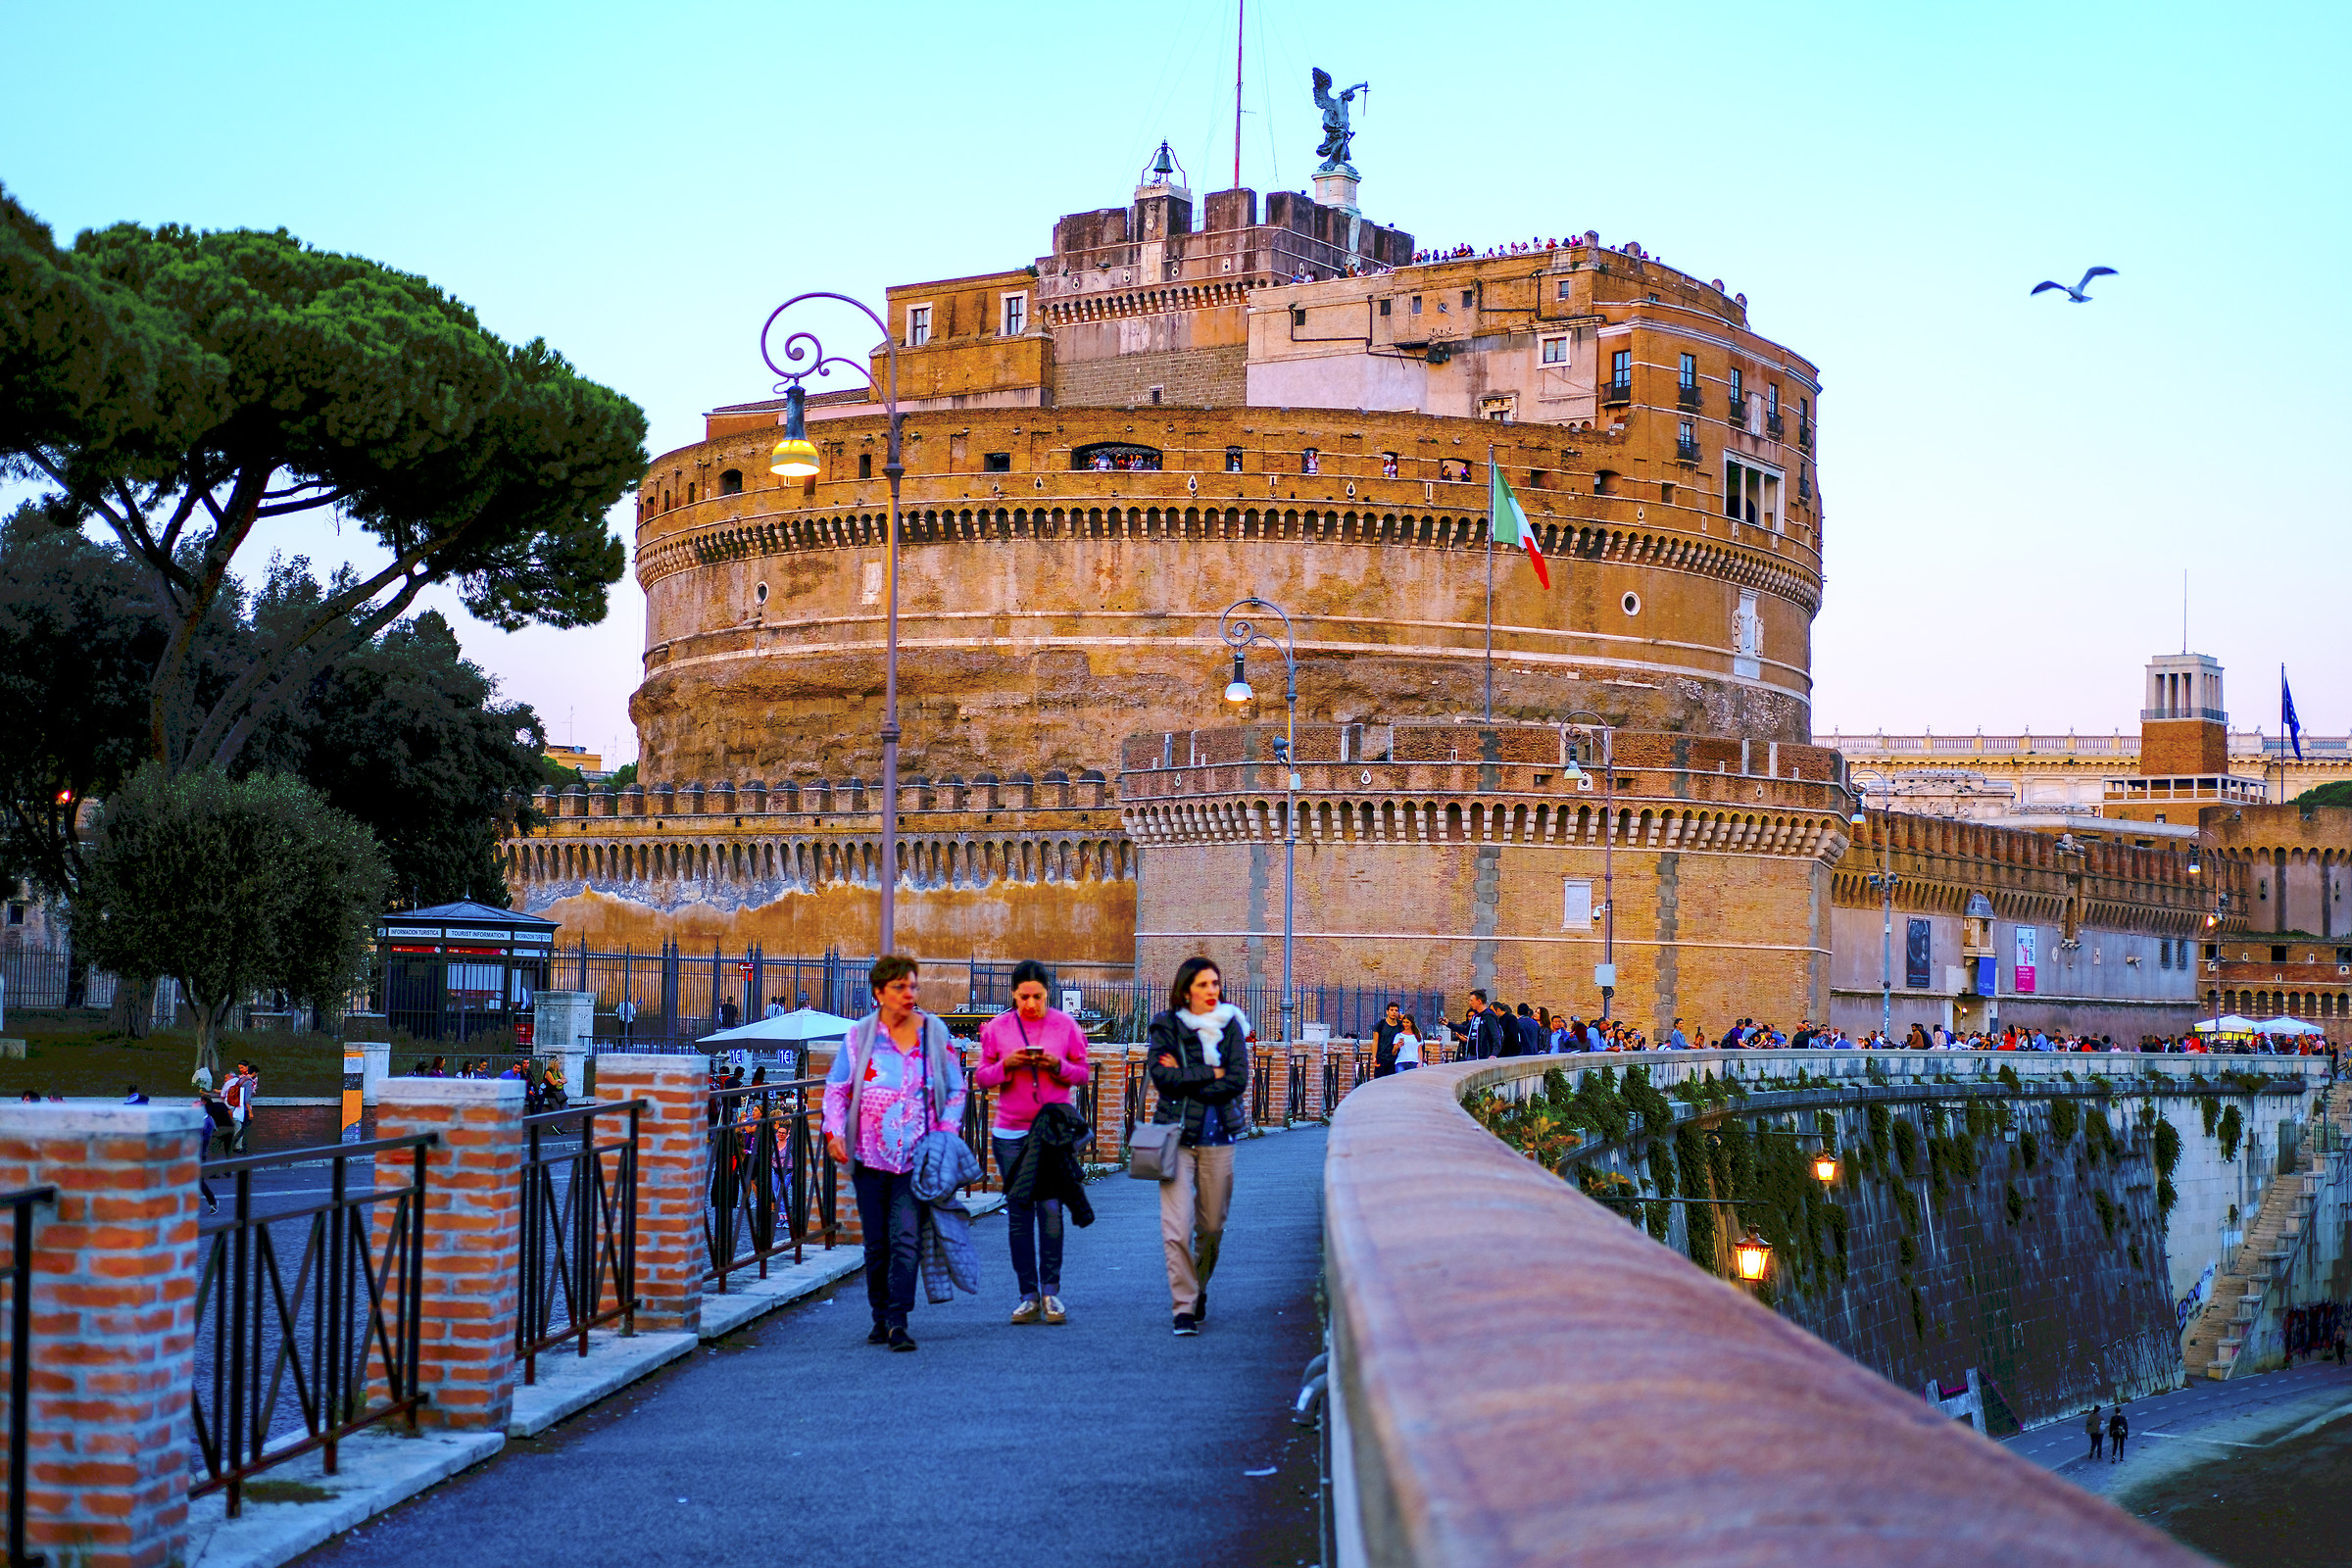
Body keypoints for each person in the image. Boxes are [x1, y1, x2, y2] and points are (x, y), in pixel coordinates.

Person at [823, 954, 965, 1352]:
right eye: (900, 987)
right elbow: (837, 1089)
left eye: (913, 986)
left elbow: (956, 1089)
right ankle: (879, 1316)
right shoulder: (860, 1037)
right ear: (879, 993)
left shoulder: (934, 1034)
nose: (909, 994)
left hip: (917, 1158)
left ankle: (898, 1320)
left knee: (905, 1238)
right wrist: (834, 1131)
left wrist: (944, 1134)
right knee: (877, 1243)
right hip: (869, 1157)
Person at [975, 958, 1092, 1325]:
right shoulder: (997, 1029)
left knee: (1052, 1209)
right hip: (1010, 1133)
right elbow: (982, 1077)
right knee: (1020, 1212)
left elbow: (1082, 1073)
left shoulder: (1065, 1026)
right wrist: (1008, 1064)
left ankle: (1051, 1292)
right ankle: (1027, 1295)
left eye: (1037, 996)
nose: (1030, 1004)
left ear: (1047, 993)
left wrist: (1056, 1066)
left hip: (1052, 1134)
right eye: (1024, 996)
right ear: (1013, 994)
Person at [1148, 956, 1251, 1337]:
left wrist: (1188, 1076)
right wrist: (1211, 1072)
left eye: (1216, 984)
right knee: (1176, 1228)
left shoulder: (1231, 1025)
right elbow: (1162, 1077)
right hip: (1176, 1137)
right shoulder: (1166, 1026)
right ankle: (1183, 1307)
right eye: (1204, 985)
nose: (1212, 991)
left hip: (1219, 1136)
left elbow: (1237, 1079)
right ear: (1186, 988)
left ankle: (1199, 1285)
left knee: (1211, 1227)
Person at [1373, 1004, 1404, 1079]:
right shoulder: (1380, 1024)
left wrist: (1403, 1018)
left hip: (1395, 1058)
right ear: (1387, 1012)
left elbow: (1413, 1031)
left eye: (1396, 1010)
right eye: (1391, 1010)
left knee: (1392, 1082)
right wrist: (1374, 1056)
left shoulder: (1400, 1025)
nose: (1394, 1012)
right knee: (1379, 1081)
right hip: (1381, 1057)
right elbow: (1375, 1041)